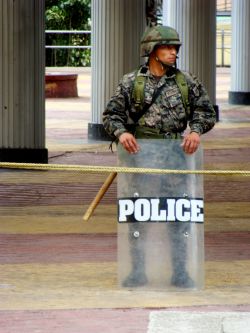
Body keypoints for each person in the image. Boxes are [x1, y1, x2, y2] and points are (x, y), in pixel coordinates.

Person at [103, 25, 216, 288]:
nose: (173, 52)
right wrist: (121, 134)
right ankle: (137, 271)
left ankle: (180, 273)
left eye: (175, 47)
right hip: (140, 158)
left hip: (176, 158)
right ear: (151, 51)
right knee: (137, 216)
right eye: (167, 47)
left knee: (179, 216)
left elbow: (206, 112)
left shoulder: (186, 81)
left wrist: (196, 131)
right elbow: (111, 116)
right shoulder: (131, 82)